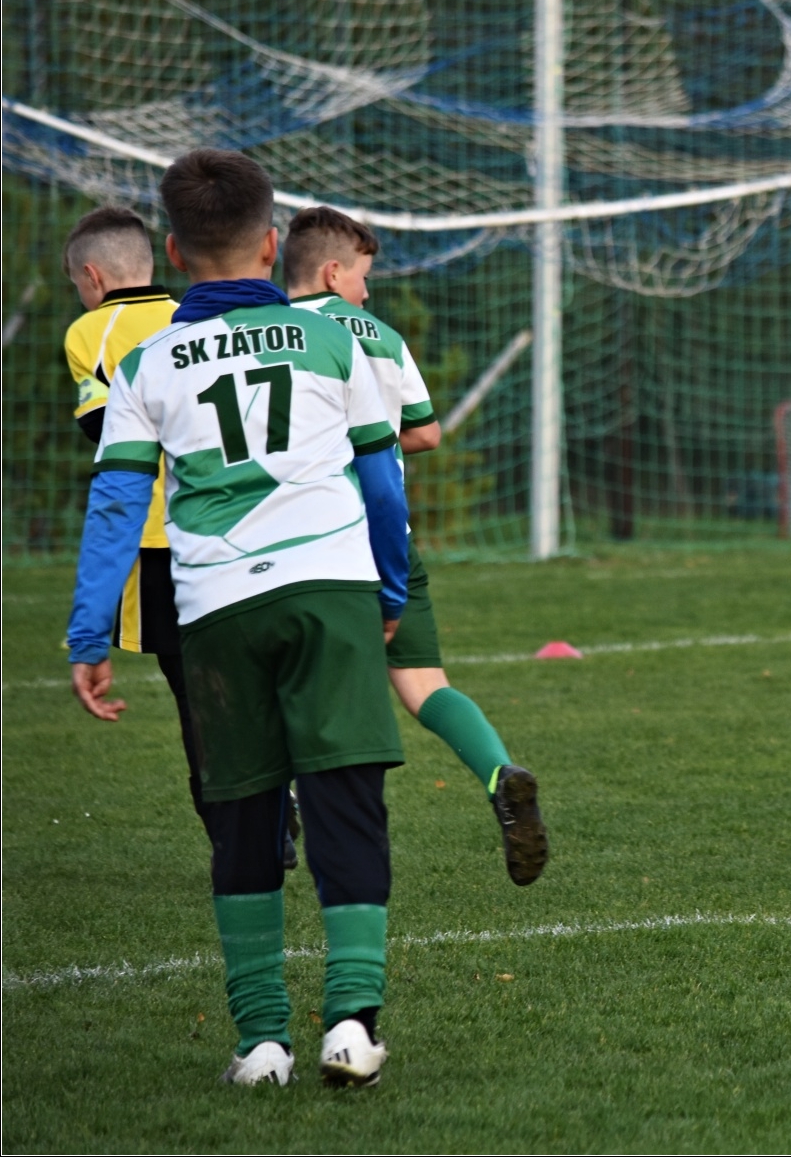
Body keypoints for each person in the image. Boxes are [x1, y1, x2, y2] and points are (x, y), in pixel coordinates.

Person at [68, 149, 411, 1087]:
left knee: (243, 816)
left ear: (175, 251)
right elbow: (383, 480)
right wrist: (390, 591)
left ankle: (261, 1044)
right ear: (271, 243)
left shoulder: (146, 363)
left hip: (215, 605)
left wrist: (90, 633)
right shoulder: (333, 338)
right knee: (344, 798)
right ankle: (352, 1027)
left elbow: (115, 505)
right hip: (328, 587)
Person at [282, 205, 548, 885]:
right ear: (333, 272)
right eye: (364, 277)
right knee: (426, 684)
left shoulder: (271, 332)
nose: (368, 293)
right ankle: (499, 773)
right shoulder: (382, 337)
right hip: (391, 537)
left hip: (309, 540)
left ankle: (282, 804)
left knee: (289, 679)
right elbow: (426, 433)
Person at [61, 207, 302, 869]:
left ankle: (236, 831)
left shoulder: (90, 331)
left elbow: (105, 434)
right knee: (260, 675)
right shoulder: (197, 317)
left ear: (92, 276)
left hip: (159, 540)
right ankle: (278, 796)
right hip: (247, 526)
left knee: (194, 694)